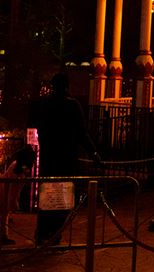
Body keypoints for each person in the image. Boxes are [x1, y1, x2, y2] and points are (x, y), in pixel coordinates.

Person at [28, 72, 100, 245]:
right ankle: (55, 233)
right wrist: (93, 153)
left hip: (49, 158)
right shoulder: (72, 105)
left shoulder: (45, 104)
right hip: (66, 158)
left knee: (48, 197)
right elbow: (82, 133)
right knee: (63, 198)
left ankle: (43, 232)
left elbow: (39, 127)